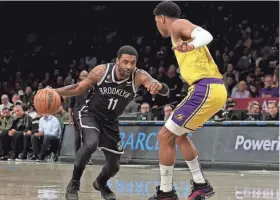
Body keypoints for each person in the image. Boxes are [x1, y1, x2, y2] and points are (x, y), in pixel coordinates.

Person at [53, 45, 169, 200]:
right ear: (117, 61)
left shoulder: (138, 76)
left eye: (133, 63)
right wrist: (55, 91)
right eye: (125, 62)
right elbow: (79, 88)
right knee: (90, 144)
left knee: (114, 166)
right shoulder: (101, 71)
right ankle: (73, 184)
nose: (129, 66)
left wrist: (158, 86)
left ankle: (101, 183)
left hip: (111, 122)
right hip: (91, 114)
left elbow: (165, 90)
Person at [150, 2, 227, 200]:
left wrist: (191, 44)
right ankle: (200, 184)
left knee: (164, 136)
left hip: (205, 88)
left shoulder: (177, 24)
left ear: (161, 18)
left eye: (156, 22)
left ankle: (166, 193)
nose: (157, 26)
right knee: (180, 136)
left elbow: (206, 35)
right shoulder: (178, 31)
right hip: (211, 88)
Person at [68, 70, 89, 155]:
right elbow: (70, 104)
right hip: (77, 115)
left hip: (87, 115)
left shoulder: (91, 88)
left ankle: (86, 157)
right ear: (80, 77)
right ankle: (78, 156)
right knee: (77, 137)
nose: (84, 76)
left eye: (86, 75)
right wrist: (70, 117)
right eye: (83, 75)